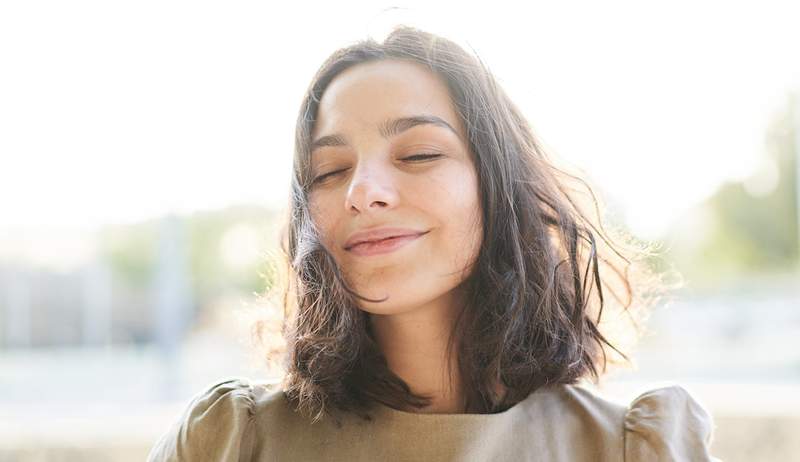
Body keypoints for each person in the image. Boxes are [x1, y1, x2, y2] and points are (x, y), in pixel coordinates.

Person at [147, 25, 721, 461]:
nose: (362, 191)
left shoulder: (631, 449)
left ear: (500, 187)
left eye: (419, 154)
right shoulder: (233, 439)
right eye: (329, 171)